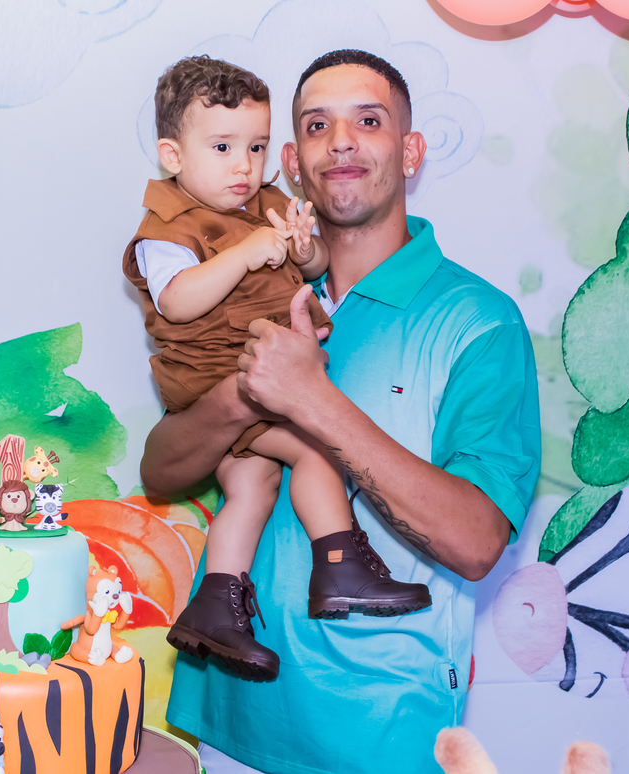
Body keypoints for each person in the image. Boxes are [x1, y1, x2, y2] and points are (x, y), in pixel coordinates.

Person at [148, 50, 542, 774]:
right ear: (291, 163)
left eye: (368, 121)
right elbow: (161, 471)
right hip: (227, 712)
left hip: (375, 733)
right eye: (317, 126)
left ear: (411, 151)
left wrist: (314, 399)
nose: (341, 143)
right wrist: (241, 395)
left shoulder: (479, 322)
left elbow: (477, 542)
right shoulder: (245, 288)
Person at [124, 56, 431, 683]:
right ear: (173, 155)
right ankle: (339, 565)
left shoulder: (266, 204)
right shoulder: (166, 227)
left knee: (253, 485)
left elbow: (309, 266)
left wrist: (303, 245)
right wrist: (244, 254)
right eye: (222, 148)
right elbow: (176, 300)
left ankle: (217, 603)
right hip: (215, 372)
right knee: (317, 451)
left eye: (257, 147)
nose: (244, 165)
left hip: (260, 365)